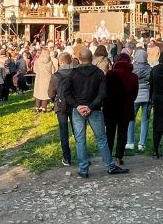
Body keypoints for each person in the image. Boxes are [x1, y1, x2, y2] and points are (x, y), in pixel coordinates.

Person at [64, 47, 128, 177]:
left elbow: (66, 92)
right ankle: (110, 166)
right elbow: (102, 94)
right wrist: (91, 106)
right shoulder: (99, 73)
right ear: (92, 58)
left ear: (79, 59)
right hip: (95, 109)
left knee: (80, 140)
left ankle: (83, 169)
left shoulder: (73, 73)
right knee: (101, 139)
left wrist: (77, 106)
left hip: (79, 110)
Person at [104, 52, 138, 167]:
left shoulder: (110, 74)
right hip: (126, 107)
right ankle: (119, 157)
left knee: (110, 132)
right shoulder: (133, 76)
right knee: (123, 133)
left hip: (111, 108)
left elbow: (105, 91)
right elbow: (135, 94)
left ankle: (107, 157)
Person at [48, 52, 74, 166]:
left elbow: (50, 93)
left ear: (61, 62)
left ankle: (66, 158)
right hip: (75, 104)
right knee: (78, 131)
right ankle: (82, 156)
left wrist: (54, 98)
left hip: (60, 105)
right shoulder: (76, 73)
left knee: (64, 131)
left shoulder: (55, 76)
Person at [128, 48, 151, 152]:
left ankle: (130, 142)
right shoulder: (150, 69)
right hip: (146, 96)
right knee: (145, 120)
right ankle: (142, 144)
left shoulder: (132, 69)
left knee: (130, 119)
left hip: (134, 97)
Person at [32, 48, 54, 113]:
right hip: (47, 79)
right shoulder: (50, 61)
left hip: (39, 78)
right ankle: (44, 108)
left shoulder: (38, 61)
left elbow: (35, 70)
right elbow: (53, 71)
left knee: (38, 93)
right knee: (45, 94)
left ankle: (37, 107)